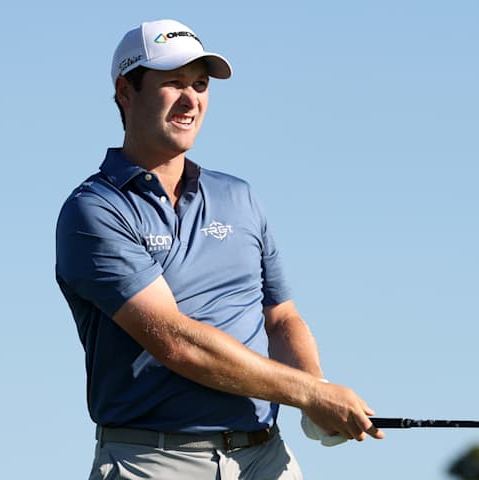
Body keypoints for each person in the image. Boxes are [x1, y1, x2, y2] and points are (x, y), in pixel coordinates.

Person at [55, 19, 384, 479]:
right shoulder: (94, 212)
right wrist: (308, 395)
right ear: (125, 92)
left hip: (265, 457)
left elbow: (280, 317)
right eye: (173, 83)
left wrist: (317, 389)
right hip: (154, 461)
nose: (191, 99)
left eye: (201, 85)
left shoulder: (239, 196)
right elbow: (175, 342)